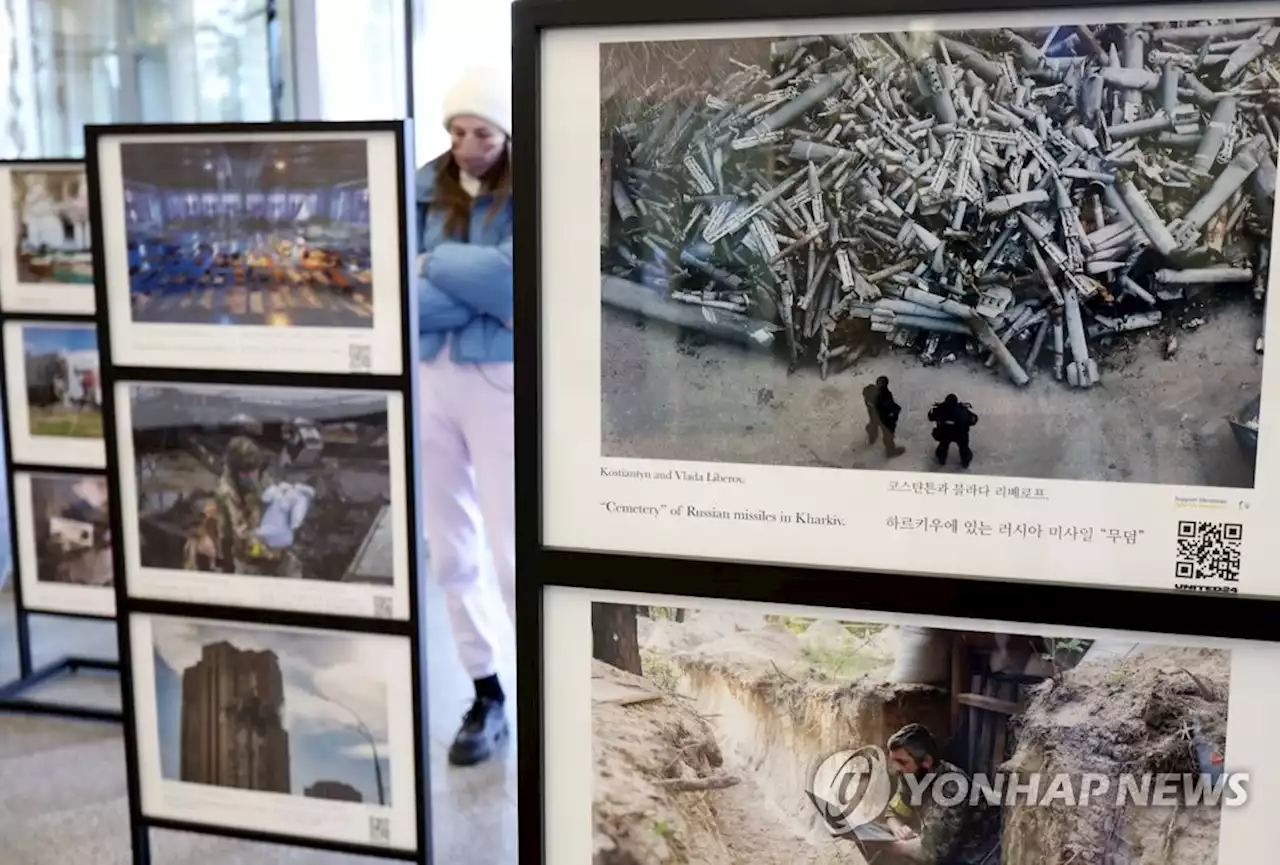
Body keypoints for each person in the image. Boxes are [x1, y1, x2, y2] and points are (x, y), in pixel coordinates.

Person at [415, 66, 516, 768]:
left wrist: (431, 263)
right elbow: (394, 291)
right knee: (449, 546)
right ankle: (486, 691)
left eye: (481, 131)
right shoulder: (420, 182)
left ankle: (548, 686)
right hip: (428, 374)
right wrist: (469, 281)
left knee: (513, 547)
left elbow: (515, 283)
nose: (466, 144)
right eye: (456, 130)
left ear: (506, 130)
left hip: (503, 378)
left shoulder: (532, 182)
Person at [879, 724, 999, 865]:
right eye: (894, 761)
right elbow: (893, 812)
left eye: (902, 762)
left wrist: (887, 846)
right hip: (940, 846)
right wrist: (898, 829)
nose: (896, 769)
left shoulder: (952, 787)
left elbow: (933, 853)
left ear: (927, 762)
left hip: (977, 855)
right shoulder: (910, 777)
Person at [928, 394, 978, 469]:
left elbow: (931, 417)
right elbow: (973, 420)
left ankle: (941, 458)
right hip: (960, 434)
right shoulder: (962, 409)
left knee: (943, 445)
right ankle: (965, 461)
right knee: (964, 447)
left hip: (944, 434)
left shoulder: (941, 409)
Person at [863, 375, 905, 458]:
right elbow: (890, 406)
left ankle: (872, 437)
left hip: (873, 414)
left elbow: (867, 397)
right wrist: (897, 409)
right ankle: (890, 451)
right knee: (888, 433)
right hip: (884, 417)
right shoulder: (885, 395)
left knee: (873, 424)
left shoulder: (870, 391)